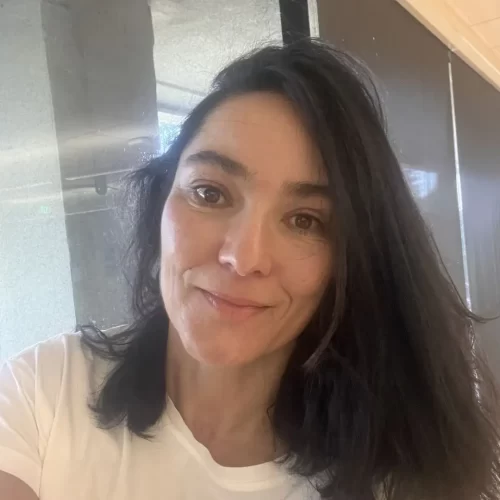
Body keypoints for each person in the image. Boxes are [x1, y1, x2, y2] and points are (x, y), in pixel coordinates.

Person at [0, 38, 499, 500]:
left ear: (348, 262)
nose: (244, 257)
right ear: (160, 206)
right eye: (209, 193)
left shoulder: (395, 479)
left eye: (305, 220)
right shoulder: (45, 392)